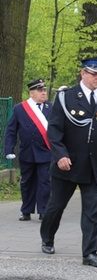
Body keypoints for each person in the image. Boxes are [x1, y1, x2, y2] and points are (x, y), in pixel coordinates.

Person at [40, 56, 97, 268]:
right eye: (94, 74)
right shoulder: (66, 97)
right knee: (56, 206)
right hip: (68, 163)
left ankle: (89, 253)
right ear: (83, 73)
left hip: (93, 166)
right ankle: (47, 236)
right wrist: (60, 154)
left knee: (92, 212)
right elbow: (53, 130)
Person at [5, 78, 52, 221]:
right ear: (31, 93)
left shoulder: (51, 107)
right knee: (27, 182)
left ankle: (44, 210)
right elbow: (11, 130)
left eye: (44, 90)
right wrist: (8, 149)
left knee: (45, 181)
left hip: (46, 151)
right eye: (40, 90)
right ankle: (26, 210)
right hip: (27, 151)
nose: (43, 93)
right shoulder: (20, 108)